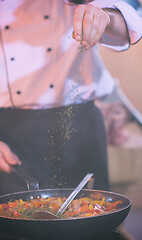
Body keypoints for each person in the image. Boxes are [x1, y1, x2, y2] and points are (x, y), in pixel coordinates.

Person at [0, 0, 141, 195]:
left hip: (80, 128)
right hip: (9, 134)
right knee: (12, 219)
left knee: (93, 214)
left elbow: (128, 17)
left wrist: (105, 17)